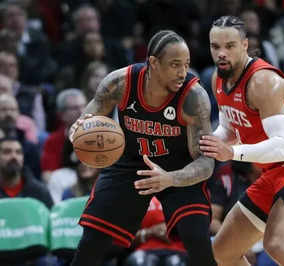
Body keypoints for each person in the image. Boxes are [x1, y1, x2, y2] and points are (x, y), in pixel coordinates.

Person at [68, 30, 217, 266]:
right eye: (175, 64)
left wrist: (170, 178)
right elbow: (83, 123)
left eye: (186, 64)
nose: (182, 72)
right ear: (154, 63)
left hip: (180, 167)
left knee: (197, 240)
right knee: (91, 242)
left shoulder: (194, 97)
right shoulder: (120, 83)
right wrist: (78, 132)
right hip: (132, 163)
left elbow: (207, 163)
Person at [199, 16, 284, 266]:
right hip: (273, 171)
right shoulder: (218, 79)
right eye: (215, 46)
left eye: (229, 46)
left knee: (277, 244)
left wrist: (231, 152)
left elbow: (283, 147)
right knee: (222, 251)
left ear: (244, 45)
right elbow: (230, 127)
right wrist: (207, 143)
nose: (221, 53)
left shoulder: (263, 82)